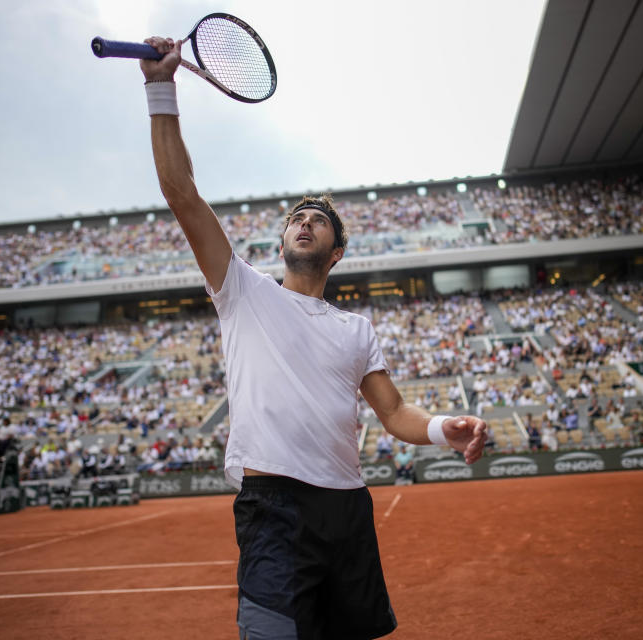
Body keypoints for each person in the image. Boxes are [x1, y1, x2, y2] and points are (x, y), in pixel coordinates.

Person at [137, 37, 488, 640]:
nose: (304, 222)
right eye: (296, 218)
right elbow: (182, 194)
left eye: (317, 219)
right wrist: (159, 88)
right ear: (282, 241)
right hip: (272, 504)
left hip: (347, 508)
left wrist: (441, 429)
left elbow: (395, 411)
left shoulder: (356, 328)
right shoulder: (242, 291)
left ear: (337, 251)